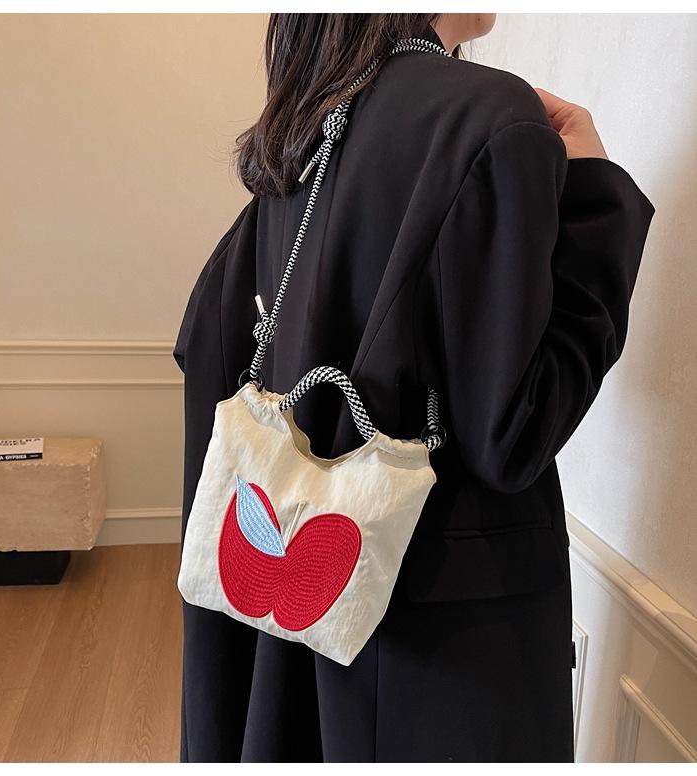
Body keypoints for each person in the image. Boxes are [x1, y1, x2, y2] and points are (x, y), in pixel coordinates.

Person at [173, 13, 654, 762]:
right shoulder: (490, 117)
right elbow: (512, 433)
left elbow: (210, 339)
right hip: (441, 647)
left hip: (297, 611)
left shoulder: (307, 117)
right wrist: (596, 195)